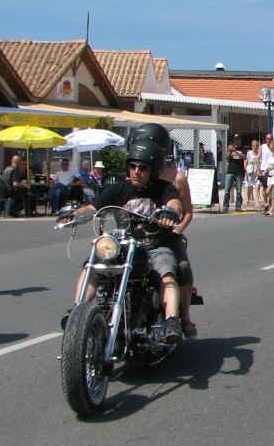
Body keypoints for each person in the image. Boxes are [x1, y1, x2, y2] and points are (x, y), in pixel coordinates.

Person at [63, 139, 186, 343]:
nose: (136, 171)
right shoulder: (118, 189)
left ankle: (171, 320)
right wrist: (75, 215)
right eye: (132, 166)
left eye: (142, 167)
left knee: (167, 276)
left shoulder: (164, 189)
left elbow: (175, 204)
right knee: (92, 267)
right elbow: (94, 208)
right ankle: (77, 312)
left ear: (153, 171)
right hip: (123, 245)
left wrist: (171, 212)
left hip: (154, 245)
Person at [130, 123, 200, 339]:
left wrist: (177, 228)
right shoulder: (134, 174)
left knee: (182, 267)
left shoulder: (175, 178)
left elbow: (187, 211)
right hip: (137, 236)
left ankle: (185, 318)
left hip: (167, 235)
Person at [223, 135, 245, 212]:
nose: (236, 141)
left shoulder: (243, 149)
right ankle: (225, 206)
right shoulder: (231, 149)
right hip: (230, 171)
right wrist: (230, 151)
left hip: (239, 172)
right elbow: (226, 158)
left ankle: (238, 206)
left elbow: (243, 157)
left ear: (240, 140)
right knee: (227, 190)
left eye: (238, 139)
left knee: (238, 191)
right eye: (235, 140)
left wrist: (235, 151)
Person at [244, 139, 261, 210]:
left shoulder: (259, 153)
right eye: (254, 146)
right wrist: (245, 169)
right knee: (249, 188)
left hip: (256, 172)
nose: (255, 147)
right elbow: (246, 161)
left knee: (257, 187)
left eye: (257, 146)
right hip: (250, 172)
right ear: (252, 146)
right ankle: (247, 200)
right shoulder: (249, 153)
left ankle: (256, 202)